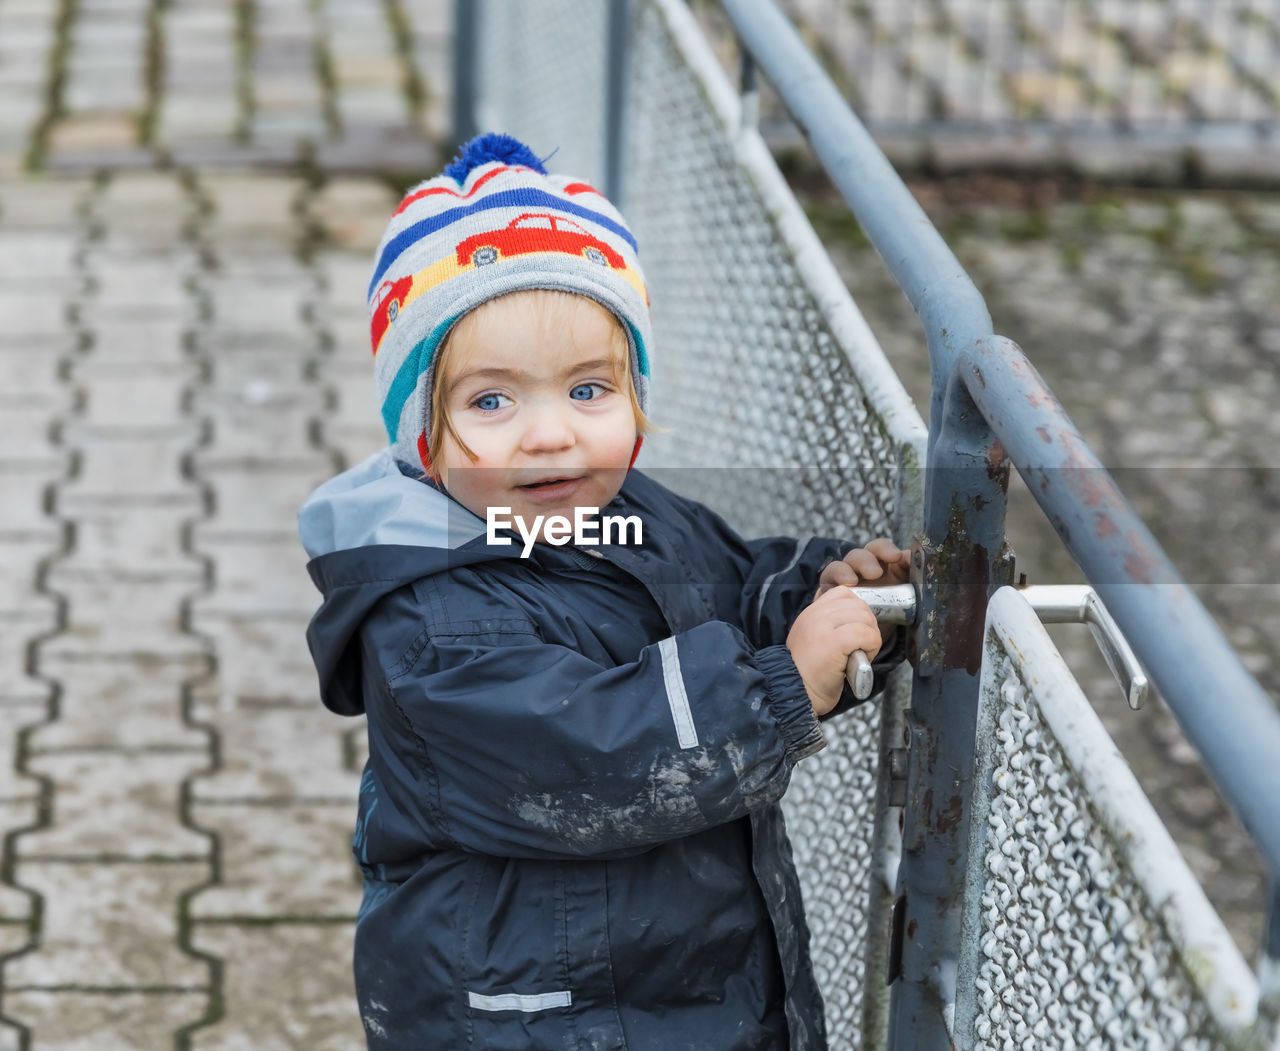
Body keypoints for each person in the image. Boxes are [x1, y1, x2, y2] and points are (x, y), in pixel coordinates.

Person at [299, 133, 910, 1050]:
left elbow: (730, 585)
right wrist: (783, 685)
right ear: (422, 433)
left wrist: (823, 593)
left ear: (638, 398)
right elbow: (595, 751)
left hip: (684, 985)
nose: (551, 435)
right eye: (492, 402)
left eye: (589, 389)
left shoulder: (629, 510)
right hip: (542, 1018)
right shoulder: (431, 625)